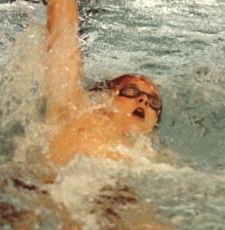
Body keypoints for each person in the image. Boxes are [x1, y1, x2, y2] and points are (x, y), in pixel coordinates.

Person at [44, 0, 162, 165]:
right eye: (131, 91)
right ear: (103, 99)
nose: (144, 100)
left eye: (154, 102)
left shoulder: (150, 160)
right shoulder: (75, 112)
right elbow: (64, 39)